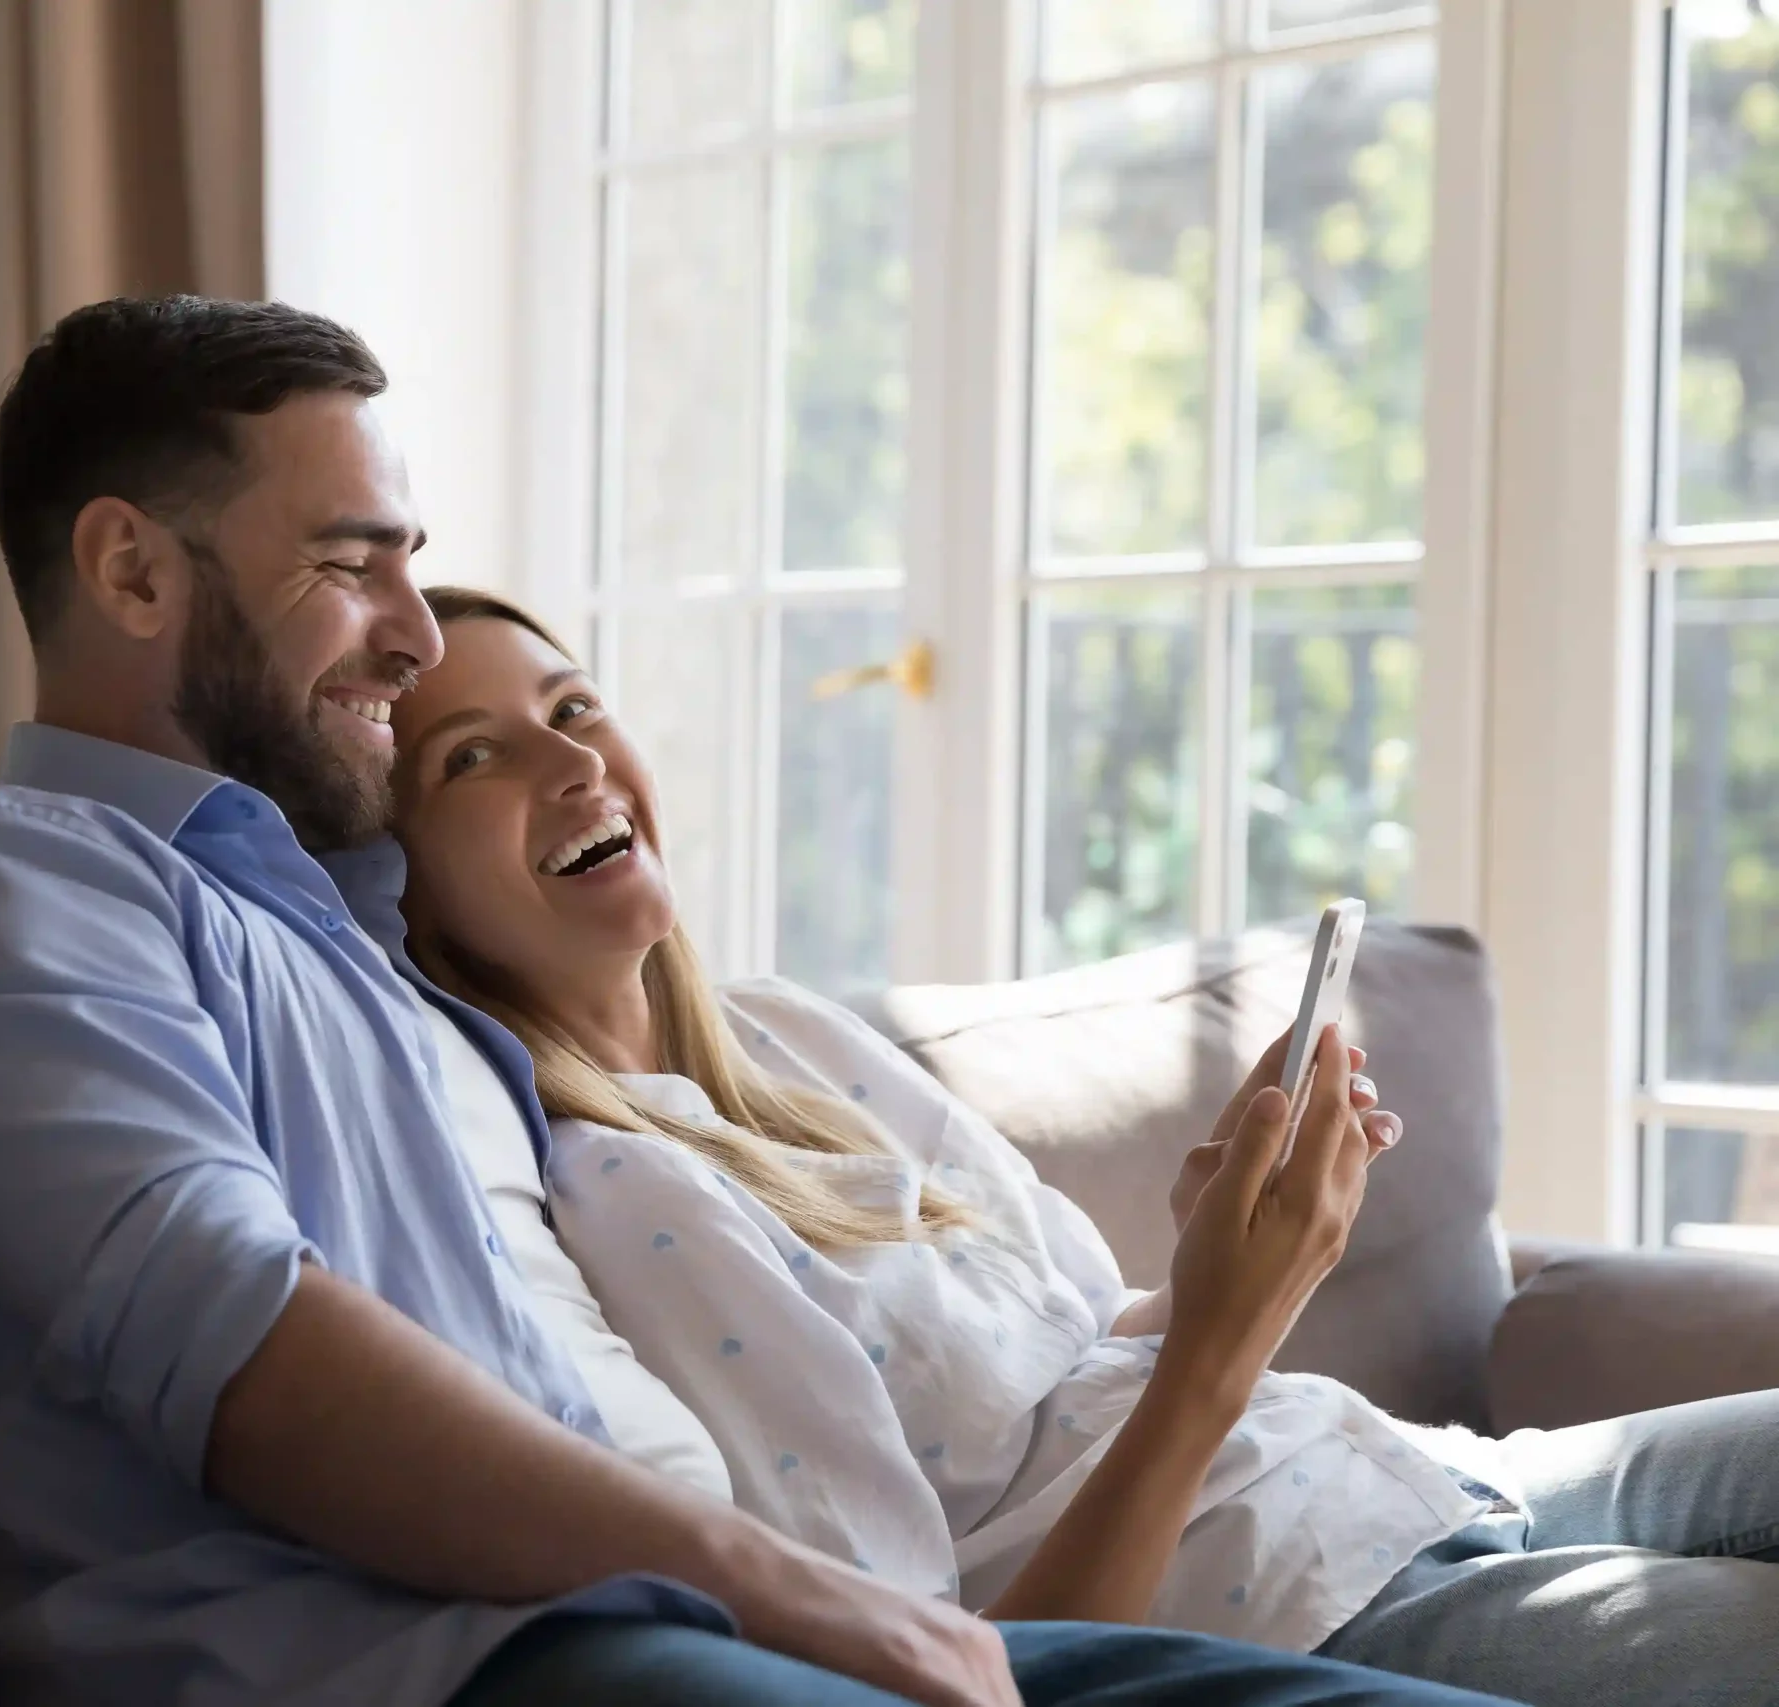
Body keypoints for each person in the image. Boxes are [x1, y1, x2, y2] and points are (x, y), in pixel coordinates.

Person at [0, 293, 1522, 1707]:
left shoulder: (356, 955)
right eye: (351, 562)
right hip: (458, 1660)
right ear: (133, 572)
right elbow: (252, 1357)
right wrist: (782, 1584)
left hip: (644, 1616)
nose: (414, 632)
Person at [384, 583, 1779, 1707]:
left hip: (1421, 1475)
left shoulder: (782, 1036)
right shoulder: (628, 1196)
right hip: (1318, 1606)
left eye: (572, 705)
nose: (571, 760)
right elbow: (986, 1661)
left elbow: (1075, 1352)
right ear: (403, 879)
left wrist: (1211, 1254)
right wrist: (1219, 1342)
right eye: (473, 756)